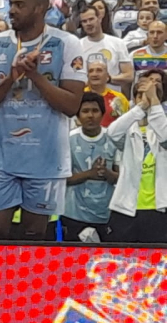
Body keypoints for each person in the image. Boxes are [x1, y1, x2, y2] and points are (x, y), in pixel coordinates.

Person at [0, 0, 86, 239]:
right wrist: (10, 79)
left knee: (34, 238)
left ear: (39, 8)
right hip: (3, 158)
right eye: (11, 4)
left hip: (46, 160)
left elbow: (71, 106)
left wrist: (35, 76)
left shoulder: (66, 43)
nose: (11, 10)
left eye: (19, 5)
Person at [106, 70, 167, 241]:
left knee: (157, 263)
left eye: (150, 95)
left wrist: (154, 102)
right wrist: (141, 106)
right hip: (126, 206)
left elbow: (165, 138)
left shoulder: (163, 126)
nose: (146, 98)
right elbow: (112, 133)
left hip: (159, 207)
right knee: (122, 261)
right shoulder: (128, 129)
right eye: (140, 95)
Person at [62, 92, 119, 241]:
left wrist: (107, 173)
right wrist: (89, 174)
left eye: (95, 111)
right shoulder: (68, 139)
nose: (90, 115)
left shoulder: (114, 139)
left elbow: (122, 178)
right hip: (73, 213)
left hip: (106, 213)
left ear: (102, 114)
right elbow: (62, 179)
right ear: (78, 115)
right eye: (85, 111)